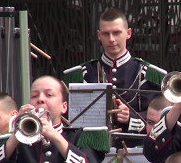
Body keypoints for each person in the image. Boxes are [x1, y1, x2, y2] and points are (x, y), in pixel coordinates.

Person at [65, 8, 166, 148]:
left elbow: (162, 118)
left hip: (136, 152)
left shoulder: (147, 74)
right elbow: (68, 120)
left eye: (117, 33)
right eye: (106, 34)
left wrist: (131, 118)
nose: (111, 39)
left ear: (128, 33)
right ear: (99, 36)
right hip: (93, 153)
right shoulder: (83, 74)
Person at [0, 76, 105, 163]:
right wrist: (17, 133)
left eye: (49, 95)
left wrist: (55, 136)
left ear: (64, 107)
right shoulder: (15, 141)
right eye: (34, 96)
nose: (40, 99)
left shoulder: (80, 137)